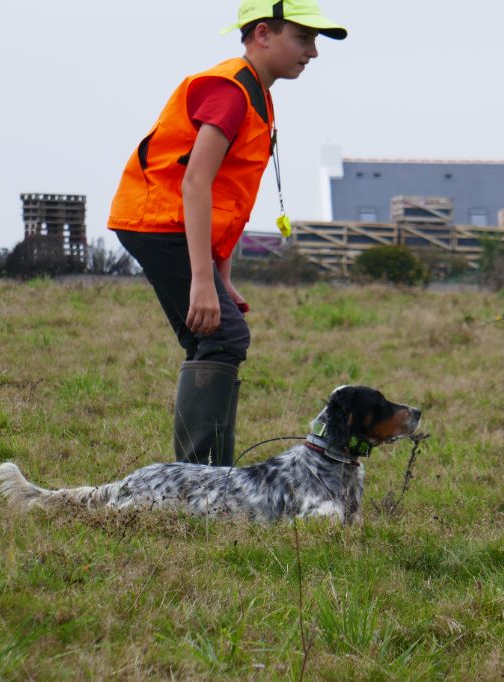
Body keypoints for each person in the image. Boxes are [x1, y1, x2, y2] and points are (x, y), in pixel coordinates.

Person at [107, 1, 347, 467]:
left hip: (174, 226)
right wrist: (201, 280)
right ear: (262, 34)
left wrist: (221, 276)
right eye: (303, 38)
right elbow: (195, 181)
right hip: (159, 222)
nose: (313, 53)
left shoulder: (256, 93)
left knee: (216, 334)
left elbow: (225, 197)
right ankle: (203, 482)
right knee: (221, 336)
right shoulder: (232, 91)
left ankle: (206, 478)